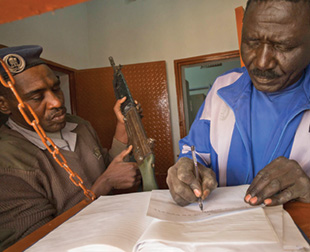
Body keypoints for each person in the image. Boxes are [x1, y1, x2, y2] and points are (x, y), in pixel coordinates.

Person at [167, 0, 310, 209]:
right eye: (252, 42)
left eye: (283, 46)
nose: (262, 62)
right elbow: (195, 153)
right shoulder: (222, 88)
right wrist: (185, 170)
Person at [0, 45, 141, 250]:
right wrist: (103, 184)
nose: (56, 102)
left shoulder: (79, 125)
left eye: (56, 88)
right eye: (37, 97)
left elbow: (109, 167)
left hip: (117, 232)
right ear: (4, 105)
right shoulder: (8, 162)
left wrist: (123, 125)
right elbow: (36, 243)